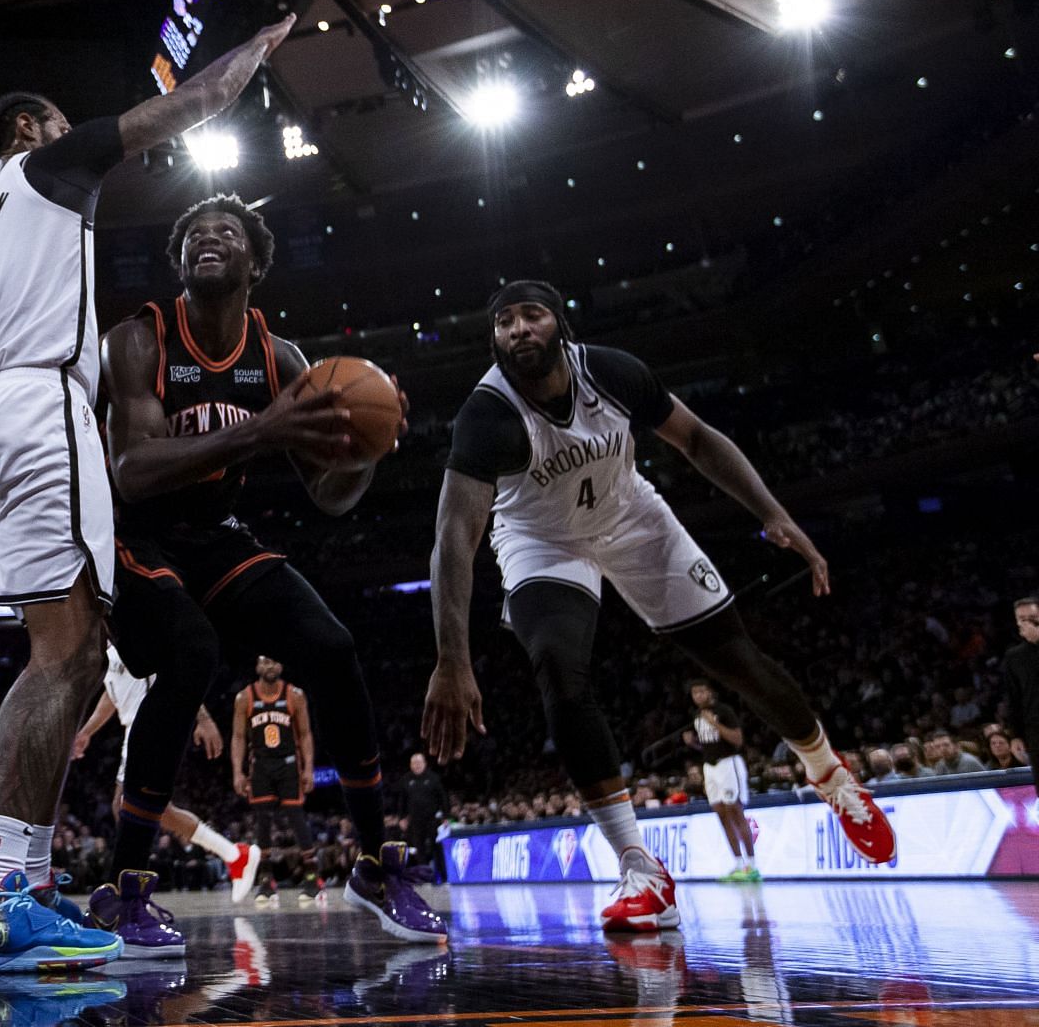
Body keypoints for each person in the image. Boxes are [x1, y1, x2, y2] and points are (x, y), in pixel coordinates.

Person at [0, 14, 294, 973]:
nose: (68, 131)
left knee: (72, 653)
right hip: (39, 405)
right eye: (56, 122)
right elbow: (197, 104)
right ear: (32, 134)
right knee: (69, 653)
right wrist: (248, 58)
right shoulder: (50, 169)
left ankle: (24, 886)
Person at [422, 280, 895, 933]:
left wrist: (773, 513)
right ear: (494, 339)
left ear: (560, 323)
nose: (518, 328)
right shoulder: (486, 415)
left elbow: (697, 438)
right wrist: (452, 658)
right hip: (541, 539)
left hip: (634, 517)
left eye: (532, 314)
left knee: (736, 659)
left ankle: (832, 776)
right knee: (558, 670)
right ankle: (642, 870)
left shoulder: (612, 371)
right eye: (503, 321)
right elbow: (454, 539)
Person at [96, 194, 444, 948]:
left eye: (226, 232)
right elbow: (130, 469)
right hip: (134, 533)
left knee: (332, 645)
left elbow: (327, 494)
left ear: (255, 261)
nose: (208, 240)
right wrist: (263, 428)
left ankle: (376, 866)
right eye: (193, 234)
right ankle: (121, 888)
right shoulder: (139, 337)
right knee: (191, 654)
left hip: (216, 533)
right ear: (179, 261)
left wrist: (366, 452)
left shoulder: (281, 357)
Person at [70, 643, 260, 921]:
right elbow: (112, 696)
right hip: (133, 730)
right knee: (139, 809)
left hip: (152, 725)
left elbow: (178, 668)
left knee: (131, 807)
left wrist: (203, 718)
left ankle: (134, 897)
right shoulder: (110, 646)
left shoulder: (134, 630)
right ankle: (233, 855)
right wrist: (87, 731)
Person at [232, 658, 316, 900]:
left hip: (288, 763)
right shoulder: (244, 698)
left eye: (275, 662)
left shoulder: (295, 695)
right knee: (262, 820)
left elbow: (305, 734)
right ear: (257, 667)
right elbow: (238, 737)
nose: (271, 667)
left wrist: (308, 768)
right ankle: (266, 880)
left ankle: (312, 876)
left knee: (296, 815)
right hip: (261, 765)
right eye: (265, 662)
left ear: (281, 666)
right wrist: (238, 771)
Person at [680, 678, 756, 882]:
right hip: (710, 767)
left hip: (728, 764)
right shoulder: (696, 716)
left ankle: (752, 865)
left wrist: (715, 723)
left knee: (735, 811)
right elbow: (709, 744)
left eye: (702, 692)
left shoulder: (724, 711)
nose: (698, 696)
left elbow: (737, 740)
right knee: (721, 814)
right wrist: (693, 743)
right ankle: (738, 864)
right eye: (695, 693)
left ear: (711, 692)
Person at [1001, 597, 1039, 788]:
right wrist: (1015, 735)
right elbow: (1013, 699)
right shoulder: (1014, 657)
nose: (1028, 623)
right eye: (1022, 619)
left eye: (1032, 617)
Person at [399, 753, 449, 883]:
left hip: (433, 819)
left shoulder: (433, 778)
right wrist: (402, 818)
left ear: (424, 763)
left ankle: (443, 877)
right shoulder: (406, 779)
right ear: (410, 765)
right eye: (414, 763)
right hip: (415, 820)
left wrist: (445, 816)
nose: (416, 765)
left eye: (419, 762)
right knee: (419, 849)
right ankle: (424, 877)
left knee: (436, 848)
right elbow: (402, 801)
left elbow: (443, 797)